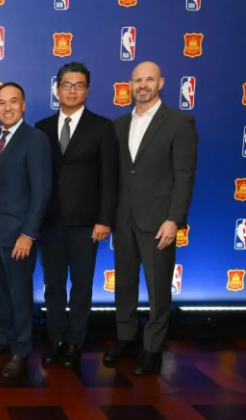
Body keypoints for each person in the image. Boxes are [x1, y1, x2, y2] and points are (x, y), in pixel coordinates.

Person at [104, 61, 198, 375]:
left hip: (159, 222)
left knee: (158, 288)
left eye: (149, 79)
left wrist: (174, 219)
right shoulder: (118, 124)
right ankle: (125, 337)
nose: (142, 85)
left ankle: (153, 347)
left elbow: (184, 176)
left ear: (161, 83)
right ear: (130, 85)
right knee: (124, 285)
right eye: (137, 80)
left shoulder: (179, 122)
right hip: (123, 219)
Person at [34, 62, 119, 369]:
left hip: (86, 223)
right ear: (57, 89)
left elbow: (109, 177)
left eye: (78, 85)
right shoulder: (42, 127)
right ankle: (56, 339)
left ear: (87, 90)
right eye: (66, 85)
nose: (72, 91)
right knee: (53, 285)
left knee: (82, 285)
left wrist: (104, 219)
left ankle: (75, 342)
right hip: (50, 222)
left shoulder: (102, 127)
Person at [0, 82, 52, 378]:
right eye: (1, 103)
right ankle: (3, 338)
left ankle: (21, 348)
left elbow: (41, 191)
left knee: (20, 293)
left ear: (23, 105)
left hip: (19, 234)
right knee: (2, 290)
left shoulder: (36, 139)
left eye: (13, 101)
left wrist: (29, 234)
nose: (7, 107)